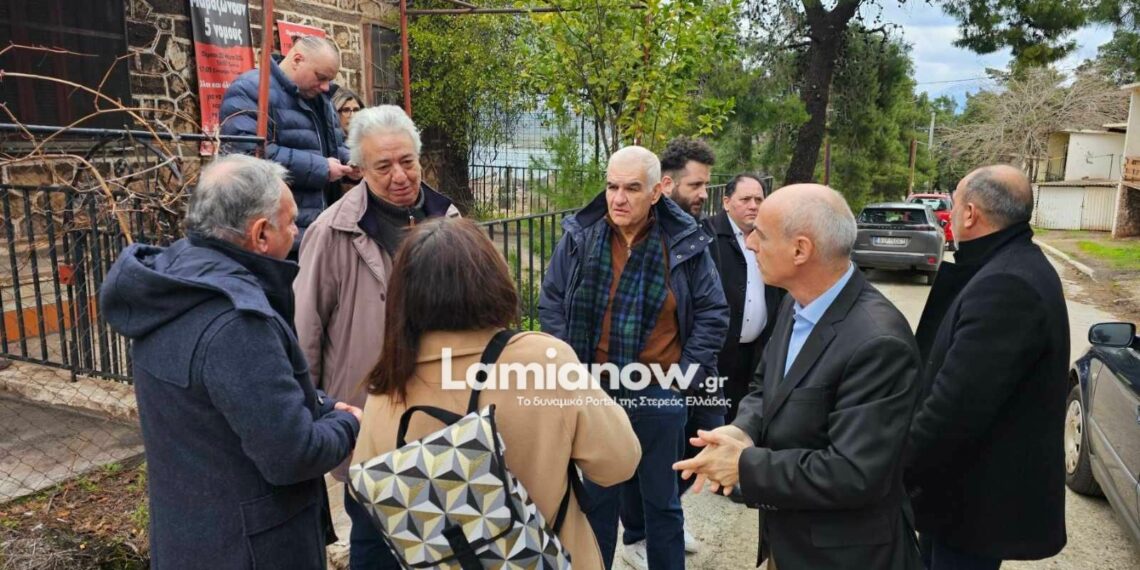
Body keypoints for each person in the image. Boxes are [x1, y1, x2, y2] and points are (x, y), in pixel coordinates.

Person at [100, 154, 361, 569]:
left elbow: (231, 402)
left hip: (191, 538)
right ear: (261, 234)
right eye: (291, 222)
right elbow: (293, 455)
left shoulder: (172, 286)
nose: (297, 231)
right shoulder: (238, 324)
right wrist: (348, 423)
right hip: (252, 551)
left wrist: (318, 404)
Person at [352, 216, 641, 570]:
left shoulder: (389, 385)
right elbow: (619, 463)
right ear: (493, 279)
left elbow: (368, 496)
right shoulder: (544, 360)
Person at [675, 184, 923, 570]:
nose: (750, 244)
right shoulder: (797, 302)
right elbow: (766, 387)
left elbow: (854, 472)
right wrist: (742, 430)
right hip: (789, 542)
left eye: (760, 235)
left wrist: (744, 465)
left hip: (845, 556)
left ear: (800, 250)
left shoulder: (878, 342)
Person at [539, 146, 728, 570]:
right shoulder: (581, 236)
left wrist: (682, 380)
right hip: (596, 393)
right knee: (597, 505)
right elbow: (551, 302)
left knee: (662, 504)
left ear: (657, 191)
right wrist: (571, 373)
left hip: (660, 393)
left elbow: (713, 313)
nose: (618, 198)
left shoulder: (684, 242)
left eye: (632, 188)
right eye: (612, 187)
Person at [293, 104, 459, 569]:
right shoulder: (332, 231)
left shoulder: (450, 219)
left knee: (444, 542)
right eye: (383, 166)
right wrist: (314, 410)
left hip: (444, 414)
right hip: (370, 418)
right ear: (360, 169)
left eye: (407, 161)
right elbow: (305, 330)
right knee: (375, 544)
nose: (399, 176)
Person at [906, 165, 1069, 569]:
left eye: (955, 204)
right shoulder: (1009, 264)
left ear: (969, 213)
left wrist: (892, 474)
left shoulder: (1006, 284)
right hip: (959, 500)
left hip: (972, 508)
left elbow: (955, 408)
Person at [219, 35, 356, 257]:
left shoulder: (321, 99)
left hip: (318, 232)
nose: (325, 87)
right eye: (321, 77)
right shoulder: (250, 90)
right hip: (276, 235)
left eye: (329, 80)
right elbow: (248, 157)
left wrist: (353, 161)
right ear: (297, 60)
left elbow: (333, 147)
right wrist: (322, 168)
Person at [702, 174, 785, 424]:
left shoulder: (772, 237)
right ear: (726, 202)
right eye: (745, 199)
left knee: (749, 418)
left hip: (759, 353)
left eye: (759, 199)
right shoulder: (707, 236)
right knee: (715, 421)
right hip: (717, 354)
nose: (753, 206)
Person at [659, 136, 715, 218]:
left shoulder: (704, 222)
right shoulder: (646, 223)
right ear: (667, 185)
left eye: (706, 185)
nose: (704, 195)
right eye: (696, 185)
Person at [328, 86, 365, 204]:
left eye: (356, 110)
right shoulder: (329, 143)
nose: (352, 115)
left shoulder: (369, 142)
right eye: (346, 110)